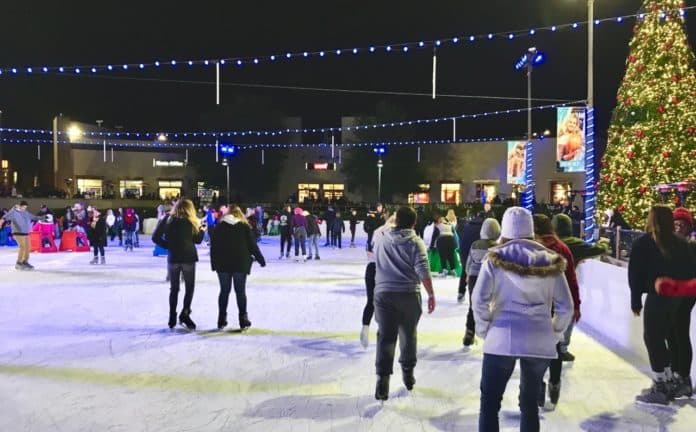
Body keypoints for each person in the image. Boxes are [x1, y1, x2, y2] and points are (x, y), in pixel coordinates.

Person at [472, 207, 573, 432]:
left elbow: (479, 300)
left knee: (489, 403)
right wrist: (554, 333)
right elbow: (566, 307)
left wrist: (484, 329)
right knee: (529, 404)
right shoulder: (552, 260)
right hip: (538, 338)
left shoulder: (494, 259)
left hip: (501, 336)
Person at [629, 205, 696, 405]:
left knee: (653, 337)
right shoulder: (681, 243)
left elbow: (635, 273)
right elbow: (689, 270)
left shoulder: (645, 242)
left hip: (659, 297)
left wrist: (635, 300)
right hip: (678, 298)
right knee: (670, 336)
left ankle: (661, 384)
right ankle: (671, 379)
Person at [373, 206, 435, 401]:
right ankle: (408, 374)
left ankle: (382, 381)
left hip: (384, 294)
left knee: (386, 337)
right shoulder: (415, 242)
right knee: (408, 335)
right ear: (414, 223)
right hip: (408, 294)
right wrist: (431, 294)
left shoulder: (382, 240)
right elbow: (423, 270)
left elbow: (375, 262)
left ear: (396, 220)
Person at [532, 214, 581, 409]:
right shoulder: (562, 248)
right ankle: (554, 381)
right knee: (556, 344)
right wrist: (576, 304)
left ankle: (538, 384)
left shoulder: (533, 249)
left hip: (538, 304)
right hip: (559, 303)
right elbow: (571, 279)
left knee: (535, 347)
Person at [647, 208, 696, 400]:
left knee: (679, 333)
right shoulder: (671, 245)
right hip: (673, 295)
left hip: (686, 294)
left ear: (688, 227)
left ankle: (682, 377)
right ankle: (676, 375)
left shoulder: (690, 245)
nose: (678, 227)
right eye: (675, 223)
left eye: (682, 224)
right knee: (670, 333)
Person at [551, 213, 609, 361]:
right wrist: (604, 243)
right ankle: (562, 348)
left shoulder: (550, 242)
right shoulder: (574, 243)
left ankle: (548, 345)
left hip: (547, 286)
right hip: (567, 287)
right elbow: (597, 250)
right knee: (568, 317)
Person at [152, 199, 206, 330]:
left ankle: (172, 317)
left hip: (173, 257)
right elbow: (197, 241)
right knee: (189, 288)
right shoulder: (191, 221)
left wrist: (169, 246)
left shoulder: (168, 219)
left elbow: (155, 237)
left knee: (174, 289)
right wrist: (202, 230)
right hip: (188, 257)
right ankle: (185, 314)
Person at [210, 204, 266, 330]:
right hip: (240, 262)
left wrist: (214, 264)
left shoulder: (219, 227)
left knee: (224, 291)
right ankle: (243, 318)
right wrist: (260, 259)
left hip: (222, 264)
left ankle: (221, 319)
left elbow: (214, 247)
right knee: (240, 291)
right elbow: (252, 245)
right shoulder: (244, 227)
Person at [462, 218, 501, 347]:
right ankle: (493, 335)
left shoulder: (474, 244)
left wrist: (467, 275)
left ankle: (469, 332)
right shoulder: (497, 246)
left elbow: (469, 262)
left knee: (474, 304)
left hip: (474, 277)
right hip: (491, 277)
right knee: (494, 306)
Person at [360, 213, 395, 348]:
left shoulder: (377, 231)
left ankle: (365, 327)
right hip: (386, 269)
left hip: (372, 267)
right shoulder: (397, 232)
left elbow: (369, 249)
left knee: (371, 301)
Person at [1, 201, 43, 270]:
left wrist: (43, 218)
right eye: (23, 207)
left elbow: (33, 217)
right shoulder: (13, 212)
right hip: (17, 233)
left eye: (25, 207)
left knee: (28, 247)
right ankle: (18, 263)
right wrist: (1, 221)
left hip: (26, 233)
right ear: (20, 206)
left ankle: (24, 262)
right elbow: (5, 216)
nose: (24, 209)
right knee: (22, 247)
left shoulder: (26, 212)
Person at [456, 212, 484, 303]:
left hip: (464, 250)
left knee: (465, 270)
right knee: (480, 272)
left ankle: (461, 293)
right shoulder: (483, 227)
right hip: (478, 251)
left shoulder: (467, 226)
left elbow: (461, 239)